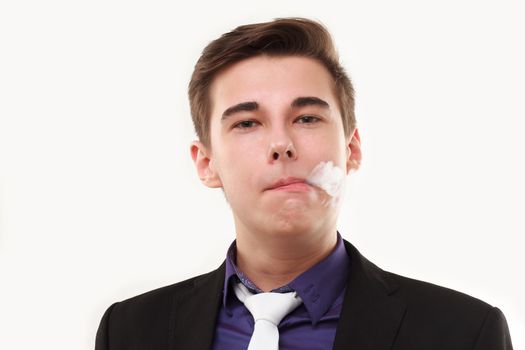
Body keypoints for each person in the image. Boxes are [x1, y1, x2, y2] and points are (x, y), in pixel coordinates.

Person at [95, 17, 513, 349]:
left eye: (307, 118)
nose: (281, 144)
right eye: (247, 123)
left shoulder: (463, 333)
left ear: (352, 148)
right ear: (207, 163)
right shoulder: (130, 332)